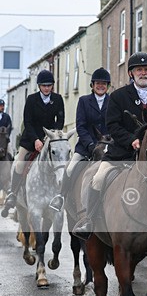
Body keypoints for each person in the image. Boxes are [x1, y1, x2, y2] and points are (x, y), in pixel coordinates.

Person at [72, 52, 147, 239]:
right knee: (98, 177)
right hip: (122, 152)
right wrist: (131, 140)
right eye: (139, 70)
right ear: (131, 73)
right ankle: (89, 220)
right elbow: (113, 125)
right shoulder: (118, 96)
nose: (143, 73)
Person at [1, 70, 65, 216]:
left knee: (61, 162)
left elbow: (60, 121)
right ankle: (13, 193)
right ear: (39, 86)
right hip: (30, 139)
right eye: (44, 85)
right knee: (19, 164)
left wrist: (50, 137)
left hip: (49, 139)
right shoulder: (31, 99)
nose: (47, 88)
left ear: (52, 86)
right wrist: (36, 139)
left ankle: (61, 194)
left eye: (49, 85)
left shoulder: (58, 99)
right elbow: (28, 123)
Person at [49, 67, 111, 212]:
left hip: (107, 147)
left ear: (107, 86)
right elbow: (81, 126)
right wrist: (90, 144)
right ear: (92, 85)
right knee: (70, 168)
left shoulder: (113, 101)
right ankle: (61, 197)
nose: (101, 86)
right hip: (85, 146)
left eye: (104, 83)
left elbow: (114, 124)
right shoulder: (84, 101)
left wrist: (106, 144)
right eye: (98, 83)